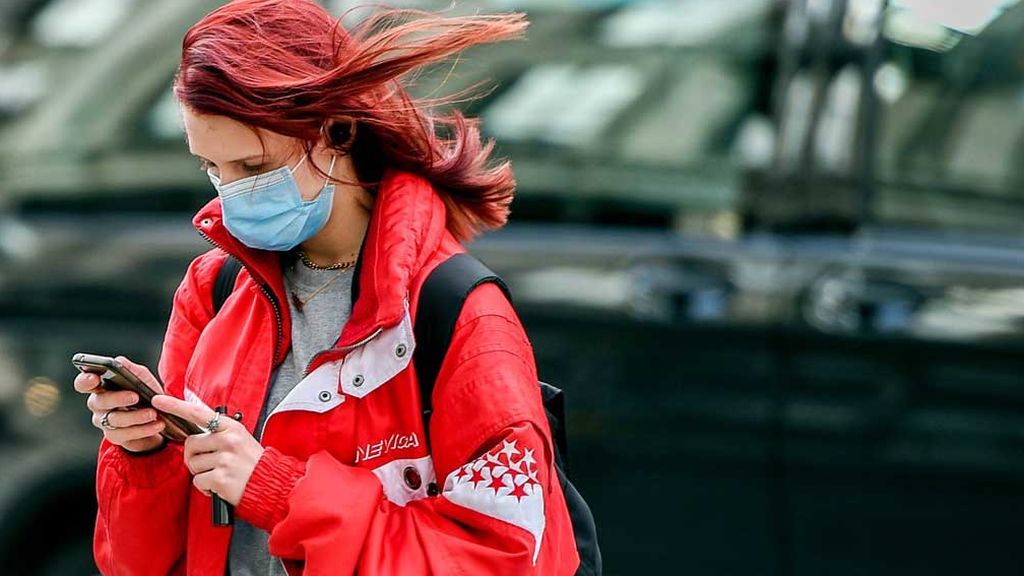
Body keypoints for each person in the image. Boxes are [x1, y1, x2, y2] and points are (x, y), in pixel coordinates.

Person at [71, 1, 581, 574]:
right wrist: (147, 453)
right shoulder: (215, 288)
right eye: (212, 169)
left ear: (336, 132)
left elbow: (507, 558)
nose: (230, 195)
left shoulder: (455, 308)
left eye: (253, 167)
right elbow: (147, 561)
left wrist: (279, 491)